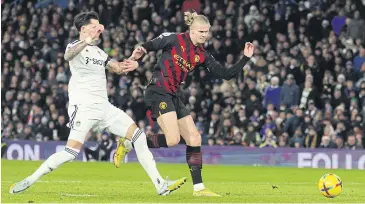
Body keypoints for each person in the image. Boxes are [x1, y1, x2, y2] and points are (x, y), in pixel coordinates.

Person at [9, 11, 186, 196]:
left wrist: (133, 62)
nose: (98, 30)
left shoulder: (100, 52)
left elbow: (117, 68)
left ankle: (160, 186)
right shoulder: (75, 45)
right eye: (94, 27)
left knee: (139, 137)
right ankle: (30, 179)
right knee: (71, 152)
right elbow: (68, 56)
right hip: (84, 108)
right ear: (83, 29)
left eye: (99, 26)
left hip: (105, 107)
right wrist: (87, 40)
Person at [116, 10, 255, 196]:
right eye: (201, 32)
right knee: (173, 139)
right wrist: (137, 56)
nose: (205, 35)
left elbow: (226, 74)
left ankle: (198, 188)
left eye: (207, 32)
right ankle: (129, 143)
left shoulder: (202, 55)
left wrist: (245, 58)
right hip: (157, 91)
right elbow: (148, 46)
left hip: (173, 95)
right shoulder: (174, 39)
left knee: (194, 138)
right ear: (191, 29)